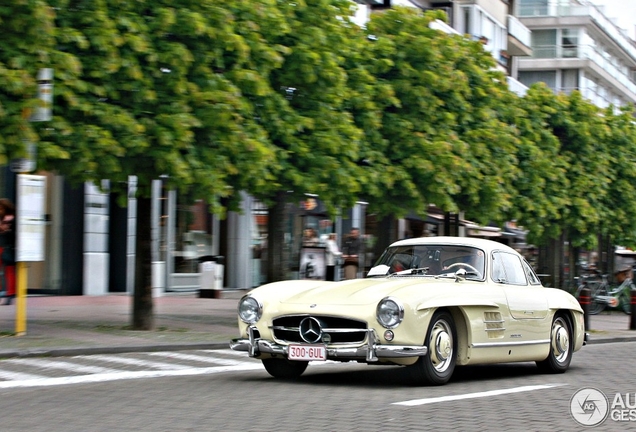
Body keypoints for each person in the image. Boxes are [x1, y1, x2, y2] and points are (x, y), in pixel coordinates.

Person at [0, 198, 16, 305]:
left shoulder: (8, 218)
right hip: (6, 247)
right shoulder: (11, 218)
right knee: (9, 272)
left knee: (9, 271)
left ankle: (10, 293)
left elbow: (6, 232)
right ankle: (10, 293)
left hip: (5, 247)